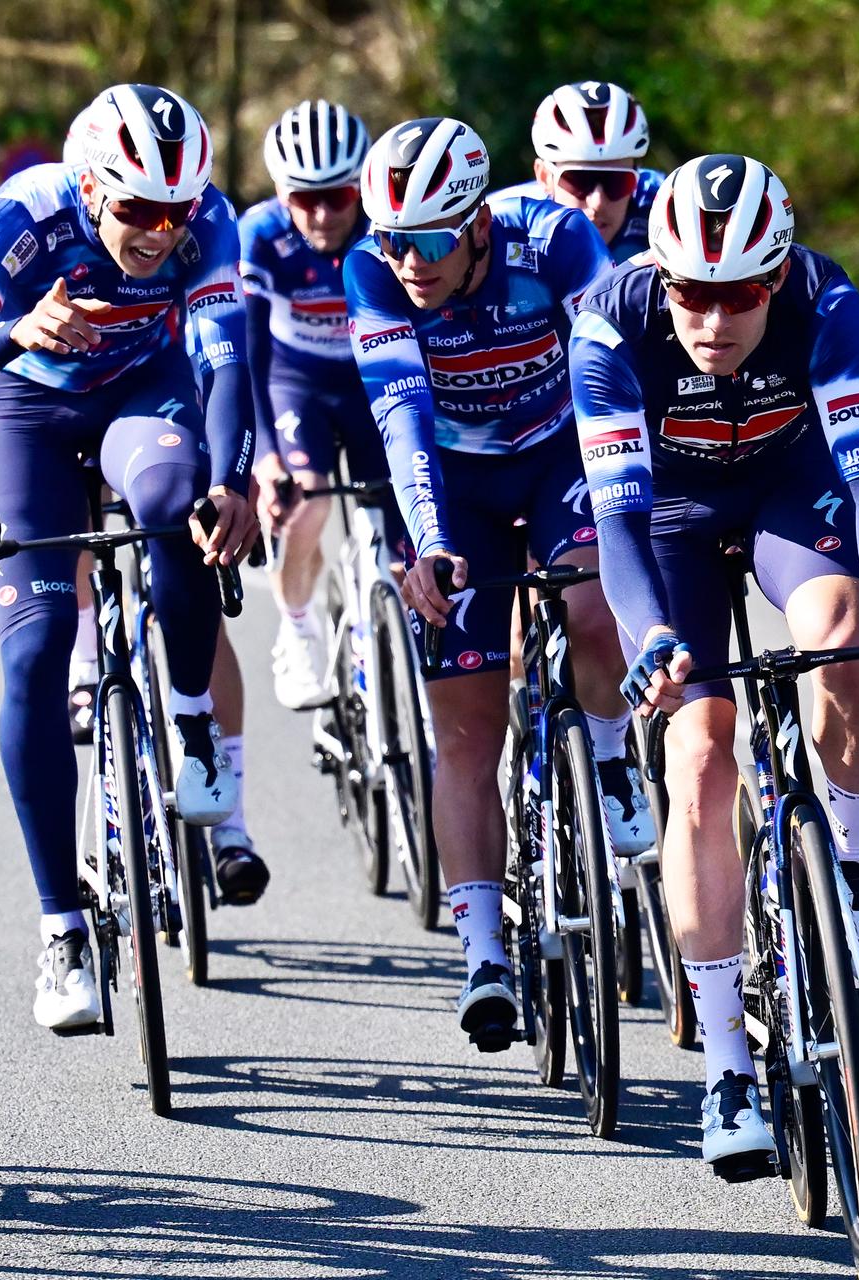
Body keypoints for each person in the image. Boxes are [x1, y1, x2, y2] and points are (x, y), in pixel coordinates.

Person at [570, 154, 859, 1175]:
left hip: (791, 491)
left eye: (739, 293)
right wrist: (650, 637)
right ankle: (728, 1058)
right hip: (672, 521)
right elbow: (616, 523)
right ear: (662, 274)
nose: (713, 316)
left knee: (844, 628)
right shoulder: (609, 324)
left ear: (775, 278)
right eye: (691, 290)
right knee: (698, 750)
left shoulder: (826, 301)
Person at [0, 83, 258, 1032]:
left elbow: (226, 360)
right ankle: (62, 926)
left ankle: (189, 718)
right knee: (31, 651)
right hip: (26, 410)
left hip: (142, 392)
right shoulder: (17, 221)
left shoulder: (207, 222)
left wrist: (233, 477)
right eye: (137, 209)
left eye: (175, 210)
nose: (158, 232)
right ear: (90, 186)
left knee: (174, 504)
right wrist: (15, 329)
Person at [345, 116, 655, 1052]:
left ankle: (605, 756)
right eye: (395, 239)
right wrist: (432, 542)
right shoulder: (370, 270)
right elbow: (399, 419)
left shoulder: (556, 239)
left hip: (561, 451)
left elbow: (613, 371)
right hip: (456, 481)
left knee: (593, 600)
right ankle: (482, 950)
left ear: (481, 221)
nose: (410, 261)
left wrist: (637, 495)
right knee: (466, 729)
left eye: (432, 239)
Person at [238, 99, 400, 709]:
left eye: (341, 196)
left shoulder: (386, 230)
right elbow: (248, 353)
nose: (326, 214)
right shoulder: (260, 235)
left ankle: (399, 646)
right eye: (306, 199)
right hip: (293, 380)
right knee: (303, 500)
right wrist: (265, 459)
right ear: (281, 192)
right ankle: (299, 627)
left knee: (402, 516)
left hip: (368, 382)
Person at [491, 81, 664, 263]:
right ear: (544, 177)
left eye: (617, 182)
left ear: (638, 177)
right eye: (579, 181)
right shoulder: (499, 224)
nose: (597, 202)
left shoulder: (667, 203)